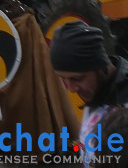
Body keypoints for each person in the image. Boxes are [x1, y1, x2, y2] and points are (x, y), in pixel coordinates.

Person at [51, 22, 128, 164]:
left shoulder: (123, 104)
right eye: (63, 79)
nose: (71, 88)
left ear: (100, 66)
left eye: (77, 78)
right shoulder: (96, 93)